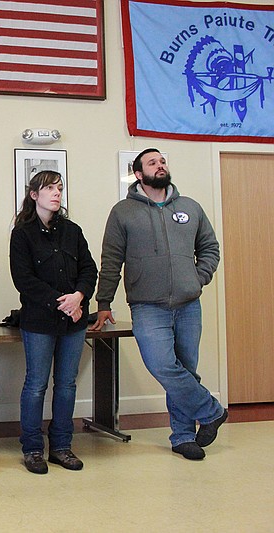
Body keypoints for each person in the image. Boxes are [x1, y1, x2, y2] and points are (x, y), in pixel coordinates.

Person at [90, 148, 227, 461]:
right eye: (152, 162)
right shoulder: (123, 211)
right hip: (147, 306)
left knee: (185, 369)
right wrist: (104, 301)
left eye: (163, 160)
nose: (160, 165)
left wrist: (197, 278)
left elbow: (210, 249)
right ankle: (211, 411)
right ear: (139, 174)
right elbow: (111, 259)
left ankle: (182, 436)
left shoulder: (190, 207)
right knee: (163, 365)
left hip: (189, 304)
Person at [10, 171, 97, 474]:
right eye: (49, 188)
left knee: (66, 384)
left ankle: (61, 447)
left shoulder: (73, 230)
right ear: (34, 195)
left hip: (75, 320)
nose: (57, 193)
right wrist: (64, 303)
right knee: (36, 385)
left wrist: (79, 296)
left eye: (59, 188)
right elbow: (24, 280)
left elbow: (89, 270)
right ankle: (33, 448)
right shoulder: (22, 233)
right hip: (40, 321)